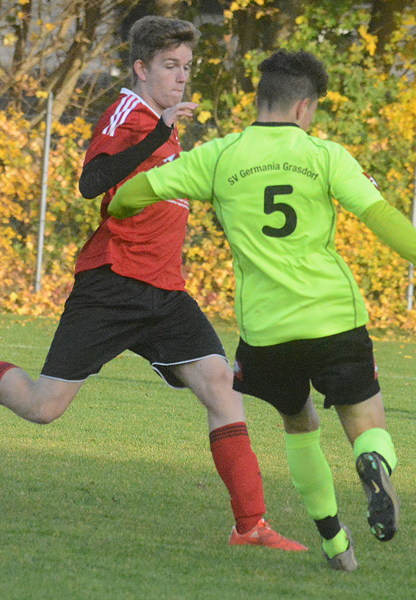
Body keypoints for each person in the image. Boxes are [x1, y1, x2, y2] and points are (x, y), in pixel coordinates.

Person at [108, 49, 416, 571]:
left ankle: (334, 541)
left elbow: (129, 195)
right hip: (333, 317)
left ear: (261, 100)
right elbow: (380, 216)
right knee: (366, 422)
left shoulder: (219, 156)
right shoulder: (325, 156)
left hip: (266, 332)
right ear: (304, 107)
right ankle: (372, 461)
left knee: (299, 425)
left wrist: (129, 211)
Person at [0, 16, 304, 551]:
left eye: (187, 66)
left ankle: (250, 526)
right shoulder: (129, 114)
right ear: (141, 68)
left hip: (165, 291)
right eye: (170, 66)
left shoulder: (167, 126)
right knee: (43, 407)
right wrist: (158, 134)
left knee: (220, 384)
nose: (182, 76)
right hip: (113, 284)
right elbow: (91, 183)